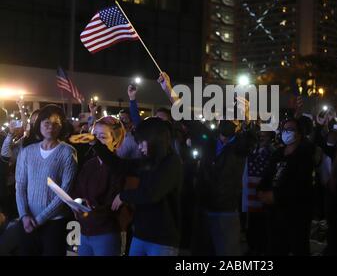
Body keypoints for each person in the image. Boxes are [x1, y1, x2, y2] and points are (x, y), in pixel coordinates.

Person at [156, 71, 255, 256]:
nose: (228, 121)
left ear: (240, 124)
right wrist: (168, 89)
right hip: (202, 208)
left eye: (234, 118)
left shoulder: (240, 146)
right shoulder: (208, 139)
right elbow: (185, 113)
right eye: (225, 116)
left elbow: (250, 140)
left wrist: (248, 118)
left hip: (225, 212)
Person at [92, 117, 183, 256]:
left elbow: (152, 193)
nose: (139, 147)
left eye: (142, 142)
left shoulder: (172, 163)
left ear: (155, 139)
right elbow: (119, 166)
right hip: (140, 234)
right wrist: (95, 144)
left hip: (162, 240)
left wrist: (124, 196)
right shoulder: (147, 161)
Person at [15, 104, 78, 256]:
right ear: (40, 125)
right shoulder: (28, 151)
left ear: (61, 127)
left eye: (56, 124)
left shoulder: (68, 152)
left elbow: (64, 192)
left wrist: (40, 219)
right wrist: (24, 215)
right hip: (27, 221)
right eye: (47, 123)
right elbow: (20, 185)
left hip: (55, 222)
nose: (51, 127)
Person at [258, 118, 315, 255]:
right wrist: (260, 191)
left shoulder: (305, 155)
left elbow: (300, 184)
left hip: (295, 213)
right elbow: (267, 175)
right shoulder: (278, 153)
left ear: (299, 134)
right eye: (285, 129)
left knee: (298, 248)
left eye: (291, 129)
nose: (286, 132)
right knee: (276, 247)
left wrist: (276, 196)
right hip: (274, 213)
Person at [71, 116, 126, 256]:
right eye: (94, 136)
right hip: (84, 229)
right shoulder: (89, 164)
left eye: (102, 137)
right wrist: (77, 202)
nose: (95, 141)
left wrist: (94, 209)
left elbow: (114, 203)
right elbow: (78, 189)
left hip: (106, 231)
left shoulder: (120, 166)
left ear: (115, 140)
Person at [242, 129, 275, 255]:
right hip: (251, 194)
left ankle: (261, 248)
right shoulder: (253, 150)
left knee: (262, 223)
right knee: (252, 222)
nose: (262, 137)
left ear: (270, 137)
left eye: (265, 135)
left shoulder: (272, 152)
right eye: (260, 135)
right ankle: (253, 246)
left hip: (264, 193)